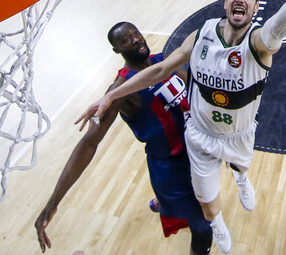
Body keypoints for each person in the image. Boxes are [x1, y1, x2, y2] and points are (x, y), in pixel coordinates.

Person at [77, 0, 286, 253]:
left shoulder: (261, 42)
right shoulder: (202, 34)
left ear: (256, 7)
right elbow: (161, 68)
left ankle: (242, 178)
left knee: (240, 167)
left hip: (239, 134)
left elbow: (283, 21)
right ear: (225, 2)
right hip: (200, 135)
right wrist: (111, 97)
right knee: (207, 208)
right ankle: (218, 224)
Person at [35, 22, 212, 255]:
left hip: (196, 154)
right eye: (126, 39)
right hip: (171, 169)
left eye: (136, 33)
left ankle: (163, 201)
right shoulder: (119, 90)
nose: (136, 39)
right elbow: (89, 143)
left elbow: (199, 88)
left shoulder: (163, 60)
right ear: (117, 50)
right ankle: (169, 203)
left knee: (209, 201)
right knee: (203, 226)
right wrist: (53, 203)